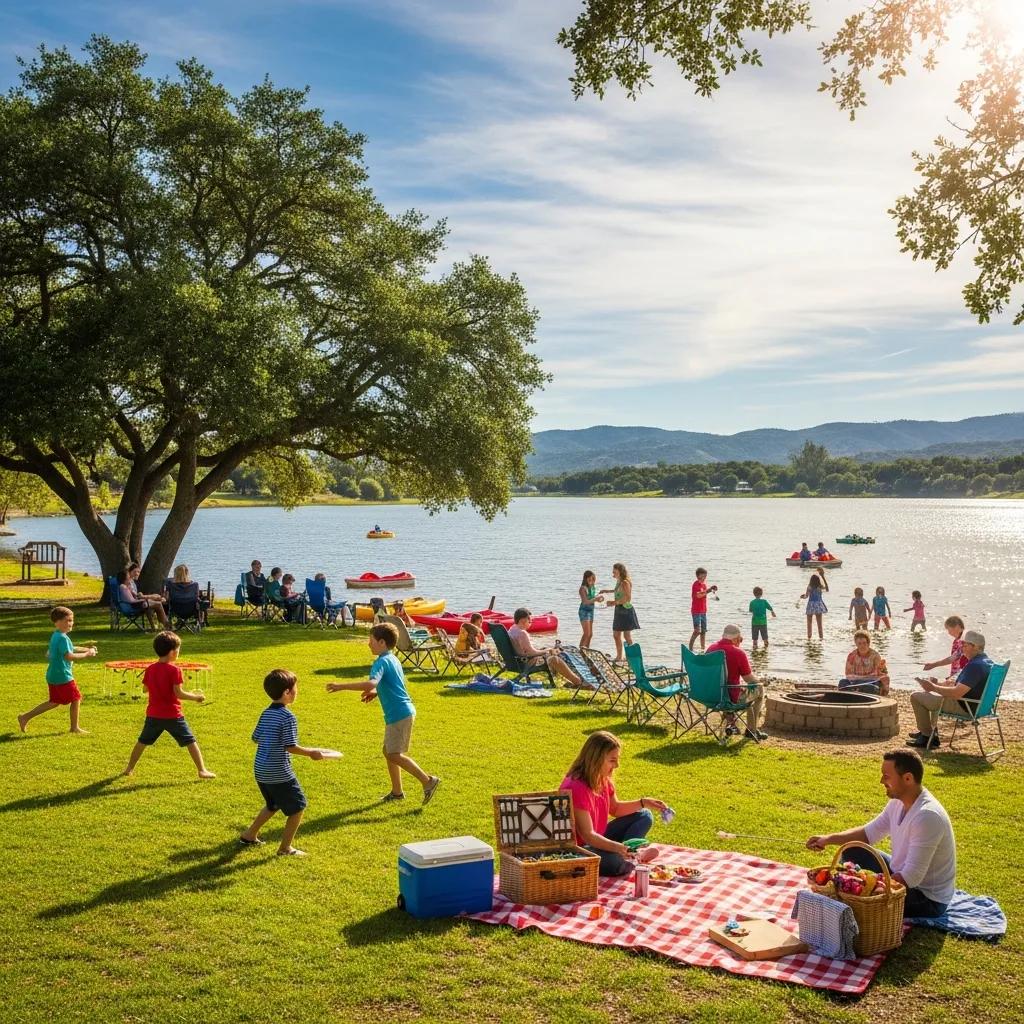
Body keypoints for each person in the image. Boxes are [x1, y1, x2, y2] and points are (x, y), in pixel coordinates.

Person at [806, 748, 955, 918]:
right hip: (900, 874)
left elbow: (911, 877)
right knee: (852, 850)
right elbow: (867, 834)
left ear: (907, 778)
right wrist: (827, 839)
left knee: (853, 895)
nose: (881, 781)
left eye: (886, 776)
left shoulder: (927, 816)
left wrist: (868, 887)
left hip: (926, 899)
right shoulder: (897, 802)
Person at [327, 622, 441, 805]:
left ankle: (428, 781)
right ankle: (397, 792)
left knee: (393, 754)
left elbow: (371, 683)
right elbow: (392, 684)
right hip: (401, 711)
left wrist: (341, 686)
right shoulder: (392, 658)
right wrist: (376, 693)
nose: (368, 644)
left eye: (370, 640)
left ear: (381, 642)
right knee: (388, 751)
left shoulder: (381, 661)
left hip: (399, 713)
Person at [240, 669, 328, 856]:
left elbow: (255, 738)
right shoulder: (288, 717)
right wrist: (311, 752)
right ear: (287, 692)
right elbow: (290, 746)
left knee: (273, 804)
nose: (297, 691)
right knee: (298, 808)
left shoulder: (266, 713)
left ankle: (249, 835)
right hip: (278, 772)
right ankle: (285, 848)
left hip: (261, 770)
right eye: (295, 688)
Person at [560, 731, 668, 876]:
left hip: (599, 838)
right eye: (612, 760)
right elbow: (588, 835)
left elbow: (615, 809)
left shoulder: (602, 778)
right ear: (596, 759)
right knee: (614, 863)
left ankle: (630, 855)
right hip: (581, 849)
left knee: (644, 815)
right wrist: (618, 847)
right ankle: (632, 857)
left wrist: (644, 802)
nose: (617, 765)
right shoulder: (576, 787)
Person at [123, 631, 215, 779]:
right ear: (172, 652)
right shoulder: (175, 670)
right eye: (178, 650)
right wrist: (196, 697)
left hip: (153, 714)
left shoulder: (151, 668)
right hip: (173, 715)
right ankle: (202, 770)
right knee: (191, 741)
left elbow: (145, 689)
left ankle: (129, 768)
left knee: (142, 741)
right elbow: (179, 693)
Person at [18, 606, 96, 734]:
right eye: (67, 620)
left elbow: (68, 648)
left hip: (53, 674)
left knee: (54, 702)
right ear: (57, 622)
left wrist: (87, 649)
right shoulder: (62, 638)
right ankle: (74, 728)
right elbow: (69, 656)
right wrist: (87, 654)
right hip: (62, 676)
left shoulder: (57, 635)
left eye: (72, 620)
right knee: (76, 698)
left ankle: (24, 717)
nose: (71, 623)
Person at [909, 630, 993, 749]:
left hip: (965, 707)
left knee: (916, 697)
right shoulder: (986, 662)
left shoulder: (975, 666)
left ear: (975, 647)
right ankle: (930, 731)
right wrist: (938, 683)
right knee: (933, 693)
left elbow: (957, 693)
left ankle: (927, 735)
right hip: (978, 706)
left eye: (965, 645)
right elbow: (962, 686)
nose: (962, 648)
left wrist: (933, 687)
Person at [706, 624, 767, 740]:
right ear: (735, 639)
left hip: (712, 695)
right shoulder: (738, 653)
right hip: (730, 698)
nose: (740, 642)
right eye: (740, 639)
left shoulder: (711, 649)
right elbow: (749, 680)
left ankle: (732, 721)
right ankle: (752, 730)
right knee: (759, 689)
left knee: (744, 691)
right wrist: (760, 682)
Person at [508, 609, 584, 686]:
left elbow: (526, 650)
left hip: (518, 660)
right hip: (527, 662)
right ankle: (578, 682)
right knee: (554, 659)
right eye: (529, 621)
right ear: (522, 620)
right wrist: (547, 651)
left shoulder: (512, 629)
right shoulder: (522, 633)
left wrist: (546, 650)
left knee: (552, 651)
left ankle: (571, 679)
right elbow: (531, 653)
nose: (530, 623)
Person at [601, 563, 639, 663]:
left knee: (625, 636)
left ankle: (628, 657)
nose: (612, 573)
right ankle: (621, 657)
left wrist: (613, 602)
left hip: (625, 610)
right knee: (617, 635)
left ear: (620, 571)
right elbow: (617, 590)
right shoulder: (619, 581)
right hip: (619, 610)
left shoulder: (625, 582)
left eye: (614, 571)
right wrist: (606, 591)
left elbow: (627, 598)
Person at [840, 630, 890, 695]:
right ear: (856, 644)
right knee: (842, 682)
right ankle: (857, 691)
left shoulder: (875, 655)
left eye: (864, 643)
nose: (862, 646)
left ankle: (855, 692)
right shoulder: (852, 656)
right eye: (859, 643)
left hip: (870, 682)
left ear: (868, 643)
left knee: (871, 687)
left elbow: (878, 674)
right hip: (855, 682)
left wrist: (882, 669)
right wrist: (860, 678)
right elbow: (848, 675)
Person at [127, 562, 169, 627]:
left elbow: (134, 593)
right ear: (129, 571)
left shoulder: (131, 581)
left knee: (157, 600)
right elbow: (135, 596)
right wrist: (140, 595)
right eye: (135, 571)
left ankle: (160, 625)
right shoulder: (128, 582)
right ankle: (166, 625)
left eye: (138, 572)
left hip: (138, 601)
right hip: (137, 603)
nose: (137, 574)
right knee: (159, 602)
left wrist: (139, 594)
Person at [687, 567, 717, 652]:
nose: (705, 577)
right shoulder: (696, 584)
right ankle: (690, 648)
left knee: (703, 631)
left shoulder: (704, 585)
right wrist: (709, 590)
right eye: (704, 575)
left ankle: (703, 648)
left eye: (706, 575)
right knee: (697, 631)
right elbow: (698, 595)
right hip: (696, 611)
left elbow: (704, 594)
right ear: (699, 575)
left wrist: (711, 589)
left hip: (703, 611)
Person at [577, 569, 603, 649]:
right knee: (586, 633)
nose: (591, 580)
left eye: (593, 579)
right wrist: (595, 599)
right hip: (584, 611)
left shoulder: (592, 587)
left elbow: (592, 598)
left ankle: (587, 650)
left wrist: (599, 598)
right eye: (590, 579)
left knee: (590, 634)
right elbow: (585, 602)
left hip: (591, 611)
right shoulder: (582, 588)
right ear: (585, 578)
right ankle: (581, 650)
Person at [801, 571, 829, 640]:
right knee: (819, 624)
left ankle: (809, 638)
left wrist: (802, 596)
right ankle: (821, 638)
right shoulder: (820, 587)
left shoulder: (809, 587)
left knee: (809, 623)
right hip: (818, 605)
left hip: (811, 605)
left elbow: (806, 596)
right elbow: (827, 589)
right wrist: (823, 577)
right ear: (818, 581)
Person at [748, 586, 775, 650]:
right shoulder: (764, 601)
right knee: (765, 637)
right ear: (761, 594)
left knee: (755, 638)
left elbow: (750, 610)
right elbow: (770, 607)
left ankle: (755, 650)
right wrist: (772, 612)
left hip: (755, 623)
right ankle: (766, 649)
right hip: (763, 623)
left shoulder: (752, 602)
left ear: (754, 594)